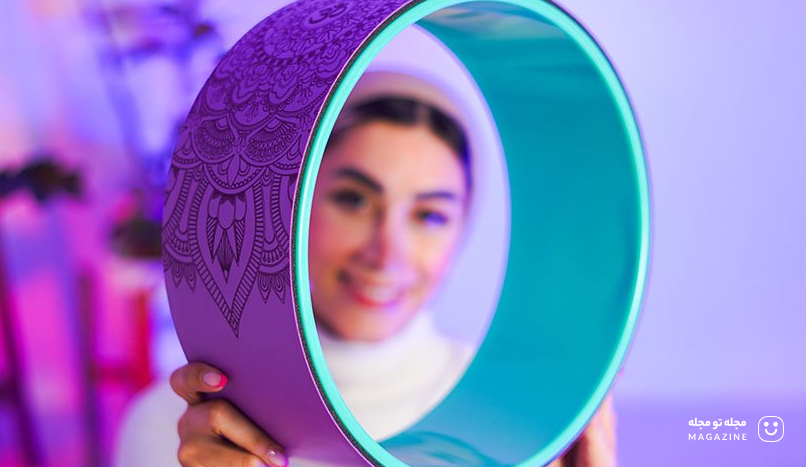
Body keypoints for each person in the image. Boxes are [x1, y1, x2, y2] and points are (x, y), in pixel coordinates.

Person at [114, 72, 616, 467]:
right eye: (353, 200)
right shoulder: (180, 430)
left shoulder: (518, 421)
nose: (386, 253)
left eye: (430, 216)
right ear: (291, 209)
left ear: (461, 232)